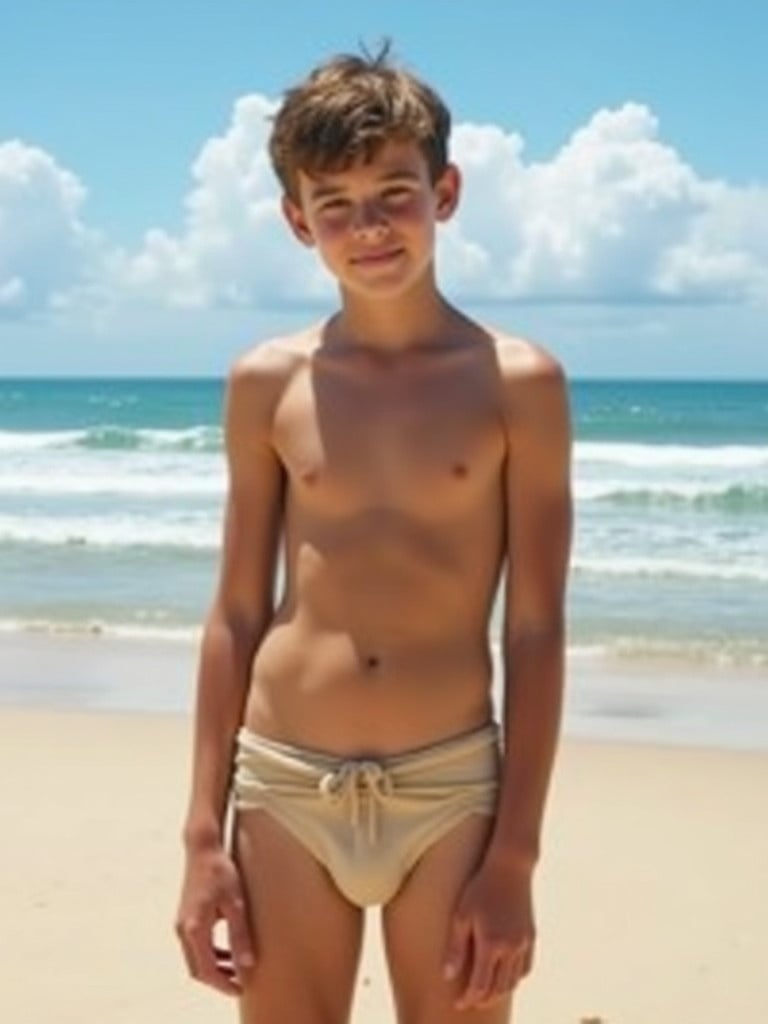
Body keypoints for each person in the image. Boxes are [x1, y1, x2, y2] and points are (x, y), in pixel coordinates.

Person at [175, 43, 572, 1024]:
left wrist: (516, 853)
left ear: (446, 190)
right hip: (282, 781)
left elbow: (535, 628)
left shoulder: (518, 382)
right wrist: (199, 837)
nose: (368, 226)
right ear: (296, 218)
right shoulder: (268, 380)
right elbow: (234, 610)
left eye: (393, 192)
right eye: (335, 202)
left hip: (450, 786)